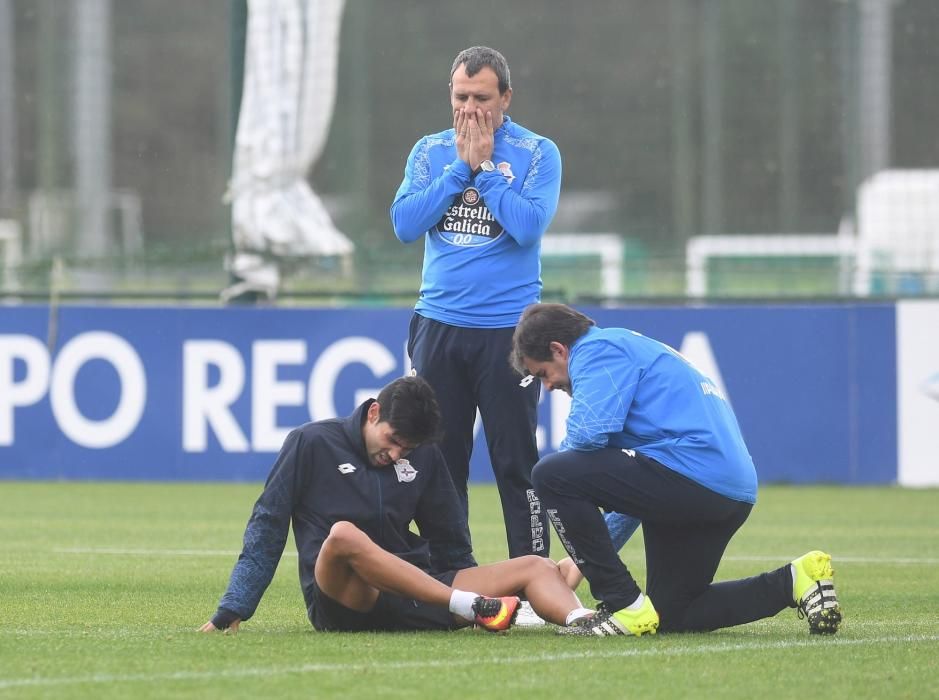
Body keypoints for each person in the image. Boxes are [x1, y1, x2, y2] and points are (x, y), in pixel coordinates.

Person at [510, 303, 843, 637]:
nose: (549, 386)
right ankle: (795, 580)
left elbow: (585, 437)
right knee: (671, 613)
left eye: (543, 374)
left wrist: (593, 568)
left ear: (558, 349)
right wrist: (581, 563)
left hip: (692, 478)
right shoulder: (625, 346)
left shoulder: (597, 349)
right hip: (723, 491)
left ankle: (621, 606)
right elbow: (636, 491)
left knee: (549, 473)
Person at [199, 376, 592, 634]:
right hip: (347, 597)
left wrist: (468, 579)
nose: (396, 452)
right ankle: (471, 606)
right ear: (374, 413)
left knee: (536, 565)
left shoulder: (425, 456)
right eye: (393, 439)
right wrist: (233, 608)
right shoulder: (310, 443)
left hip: (418, 591)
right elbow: (266, 528)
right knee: (343, 535)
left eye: (408, 447)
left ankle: (583, 621)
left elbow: (449, 537)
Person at [390, 46, 562, 561]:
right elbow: (404, 224)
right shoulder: (429, 152)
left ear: (506, 98)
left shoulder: (537, 152)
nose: (470, 110)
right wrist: (457, 173)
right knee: (440, 459)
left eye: (482, 98)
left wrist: (485, 169)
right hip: (439, 326)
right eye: (461, 97)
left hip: (511, 335)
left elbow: (529, 225)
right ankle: (452, 575)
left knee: (516, 461)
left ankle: (530, 578)